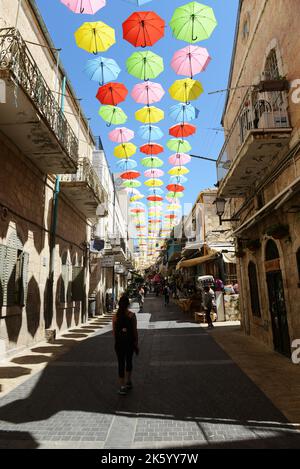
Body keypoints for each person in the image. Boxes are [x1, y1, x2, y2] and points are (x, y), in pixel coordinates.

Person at [112, 295, 139, 396]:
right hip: (129, 343)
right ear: (128, 304)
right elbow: (135, 331)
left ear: (119, 304)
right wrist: (136, 342)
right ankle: (128, 381)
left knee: (120, 363)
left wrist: (117, 342)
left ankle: (122, 386)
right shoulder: (132, 315)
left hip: (119, 344)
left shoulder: (115, 317)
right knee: (129, 361)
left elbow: (114, 333)